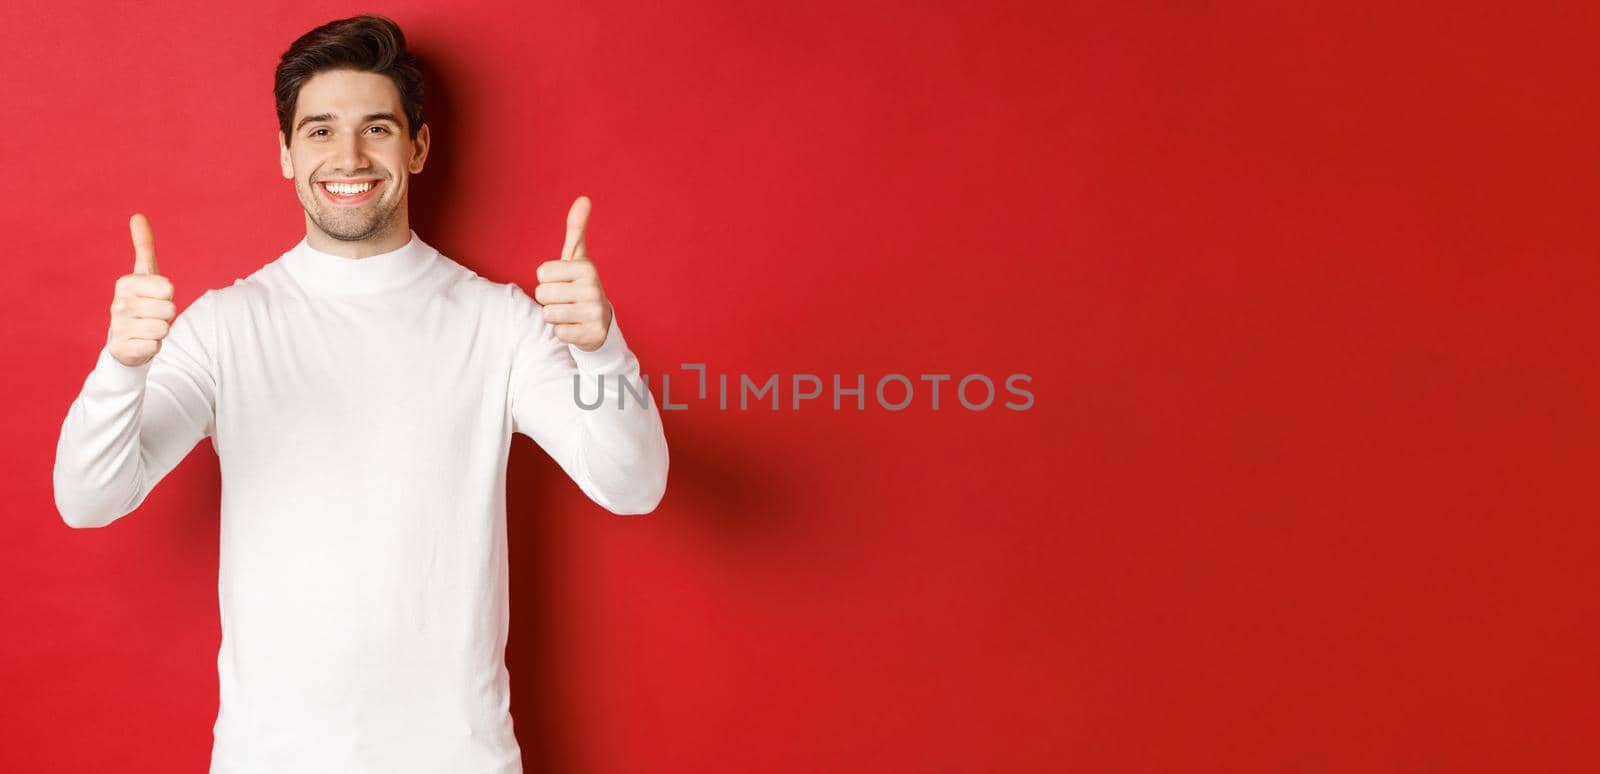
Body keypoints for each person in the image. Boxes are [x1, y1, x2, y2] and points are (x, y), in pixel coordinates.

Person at [51, 14, 669, 774]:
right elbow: (87, 500)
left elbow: (634, 486)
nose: (348, 155)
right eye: (319, 131)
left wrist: (602, 349)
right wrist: (120, 367)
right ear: (285, 153)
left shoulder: (498, 322)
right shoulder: (226, 327)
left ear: (416, 147)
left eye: (376, 128)